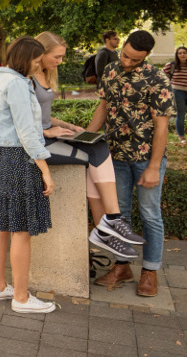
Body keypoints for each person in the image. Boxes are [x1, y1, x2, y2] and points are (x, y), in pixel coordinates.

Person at [30, 33, 141, 261]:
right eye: (57, 56)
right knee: (96, 154)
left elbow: (43, 116)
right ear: (40, 52)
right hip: (36, 144)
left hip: (48, 135)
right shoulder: (24, 79)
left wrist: (68, 126)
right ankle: (109, 225)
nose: (61, 61)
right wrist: (46, 131)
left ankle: (108, 225)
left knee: (98, 145)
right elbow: (20, 122)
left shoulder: (44, 74)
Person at [87, 30, 176, 296]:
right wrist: (87, 140)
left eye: (135, 60)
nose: (127, 62)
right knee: (119, 215)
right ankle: (122, 266)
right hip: (115, 156)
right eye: (125, 55)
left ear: (145, 57)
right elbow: (103, 107)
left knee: (150, 215)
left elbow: (162, 128)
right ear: (122, 45)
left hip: (147, 157)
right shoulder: (111, 70)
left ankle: (150, 272)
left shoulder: (158, 78)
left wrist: (153, 167)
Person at [0, 36, 56, 314]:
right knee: (21, 230)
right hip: (19, 159)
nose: (39, 66)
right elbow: (27, 133)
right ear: (26, 58)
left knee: (1, 224)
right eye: (37, 61)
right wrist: (46, 171)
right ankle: (22, 298)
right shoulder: (16, 84)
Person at [164, 46, 187, 146]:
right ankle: (182, 137)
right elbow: (162, 77)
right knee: (180, 115)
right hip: (178, 92)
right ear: (177, 55)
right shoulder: (171, 65)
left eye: (184, 53)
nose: (182, 55)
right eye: (180, 53)